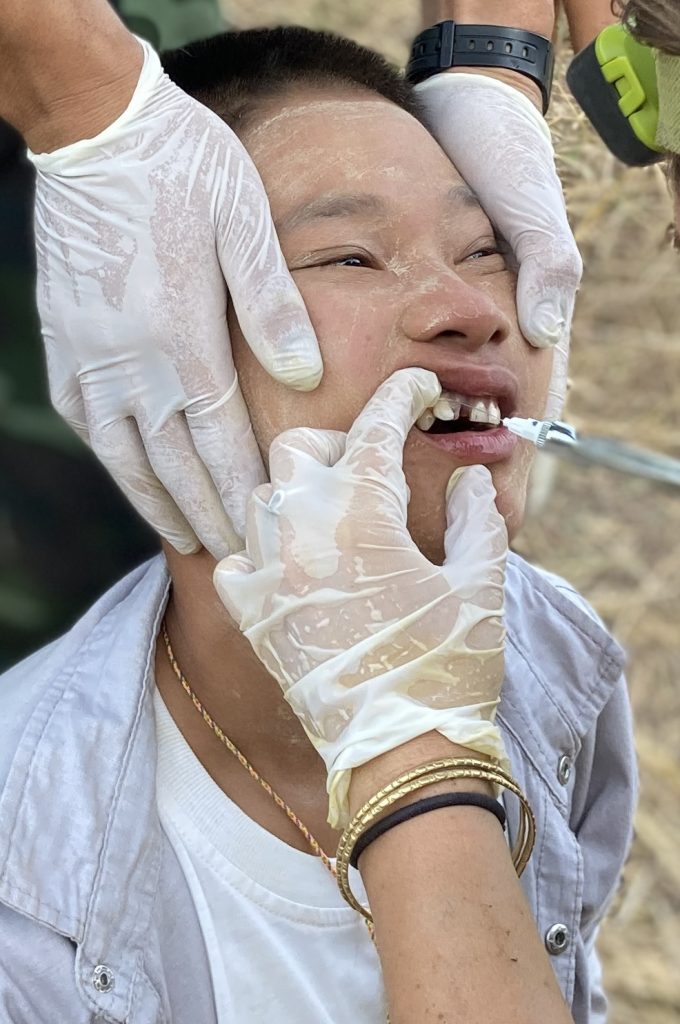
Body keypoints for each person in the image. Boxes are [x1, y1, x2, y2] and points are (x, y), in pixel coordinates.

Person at [0, 27, 636, 1024]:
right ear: (149, 348)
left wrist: (494, 46)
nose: (470, 307)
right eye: (347, 253)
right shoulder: (21, 890)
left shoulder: (556, 663)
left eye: (487, 249)